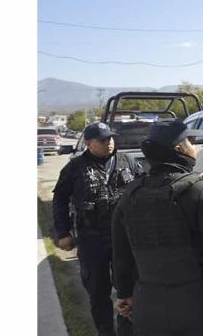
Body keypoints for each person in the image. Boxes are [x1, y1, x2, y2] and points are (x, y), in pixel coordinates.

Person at [111, 120, 203, 335]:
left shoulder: (129, 197)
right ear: (178, 149)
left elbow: (121, 256)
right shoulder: (200, 191)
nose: (195, 147)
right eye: (190, 141)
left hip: (149, 309)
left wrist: (124, 294)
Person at [52, 122, 135, 336]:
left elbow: (142, 192)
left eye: (110, 138)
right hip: (91, 238)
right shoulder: (74, 167)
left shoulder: (127, 161)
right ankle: (105, 331)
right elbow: (60, 199)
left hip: (123, 237)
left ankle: (127, 329)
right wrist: (63, 233)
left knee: (127, 287)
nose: (109, 143)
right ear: (88, 144)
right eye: (103, 140)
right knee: (98, 291)